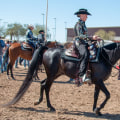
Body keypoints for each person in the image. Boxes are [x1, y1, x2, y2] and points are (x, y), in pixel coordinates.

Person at [74, 8, 100, 84]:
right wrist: (92, 38)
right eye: (86, 15)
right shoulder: (78, 24)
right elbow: (80, 36)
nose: (87, 17)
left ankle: (90, 72)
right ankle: (81, 75)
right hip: (79, 42)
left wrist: (95, 39)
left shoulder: (83, 24)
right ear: (81, 16)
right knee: (85, 54)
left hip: (84, 42)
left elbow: (85, 36)